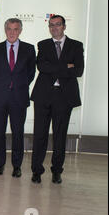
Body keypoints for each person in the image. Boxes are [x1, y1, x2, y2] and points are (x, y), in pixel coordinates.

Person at [30, 15, 84, 184]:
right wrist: (66, 66)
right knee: (40, 135)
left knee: (60, 136)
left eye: (58, 25)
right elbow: (42, 67)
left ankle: (57, 171)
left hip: (64, 96)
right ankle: (37, 171)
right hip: (44, 95)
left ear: (64, 26)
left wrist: (56, 68)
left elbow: (78, 70)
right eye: (51, 25)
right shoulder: (43, 44)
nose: (54, 28)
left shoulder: (76, 45)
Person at [0, 18, 36, 178]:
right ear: (5, 29)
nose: (12, 32)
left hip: (19, 97)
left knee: (18, 133)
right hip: (0, 97)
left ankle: (17, 166)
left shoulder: (29, 49)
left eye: (15, 29)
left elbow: (30, 73)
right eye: (9, 28)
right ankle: (0, 164)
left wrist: (17, 85)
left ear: (20, 30)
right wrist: (3, 85)